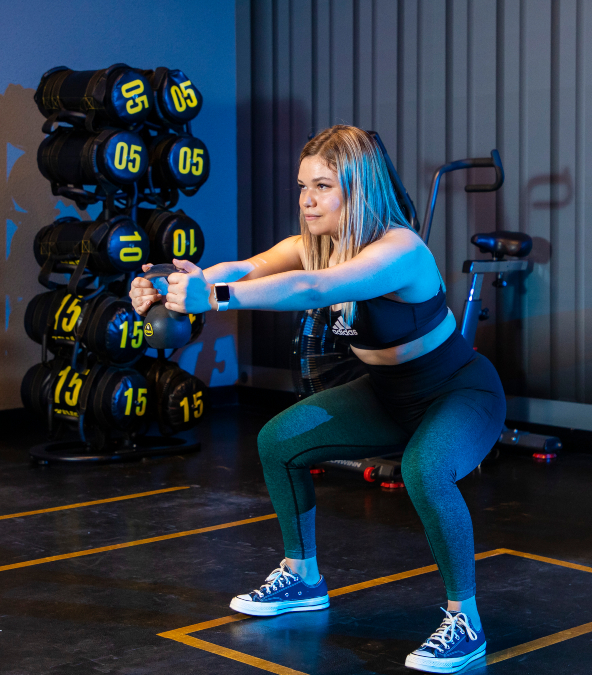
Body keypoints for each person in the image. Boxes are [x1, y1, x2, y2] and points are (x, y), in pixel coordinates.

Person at [129, 125, 506, 673]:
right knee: (279, 440)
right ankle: (302, 576)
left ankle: (464, 622)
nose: (307, 199)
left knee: (425, 470)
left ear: (359, 188)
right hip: (388, 396)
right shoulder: (316, 244)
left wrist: (212, 296)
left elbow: (313, 288)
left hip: (460, 393)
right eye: (303, 186)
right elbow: (247, 267)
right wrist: (174, 286)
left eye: (323, 186)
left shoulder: (400, 250)